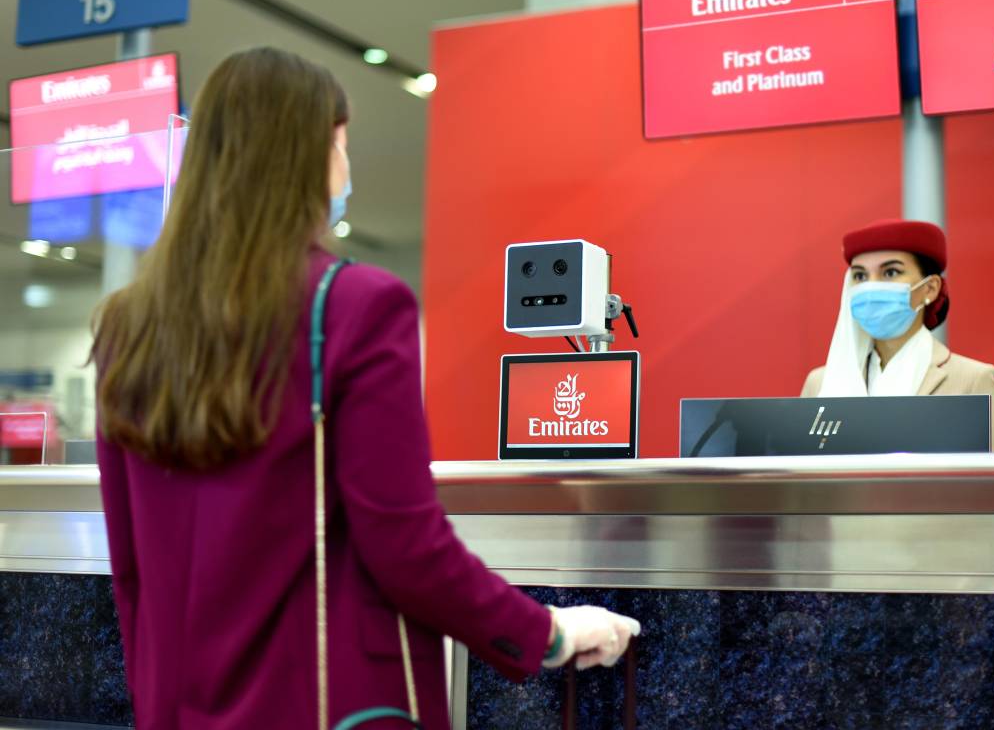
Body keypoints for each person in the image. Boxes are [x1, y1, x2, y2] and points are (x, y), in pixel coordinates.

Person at [91, 47, 638, 730]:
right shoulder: (355, 304)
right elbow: (406, 546)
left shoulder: (126, 326)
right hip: (322, 705)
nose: (347, 169)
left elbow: (133, 573)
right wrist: (547, 630)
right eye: (341, 145)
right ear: (305, 156)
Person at [801, 218, 994, 451]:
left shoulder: (973, 382)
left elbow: (986, 485)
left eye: (890, 272)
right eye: (860, 276)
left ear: (930, 288)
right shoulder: (820, 383)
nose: (871, 287)